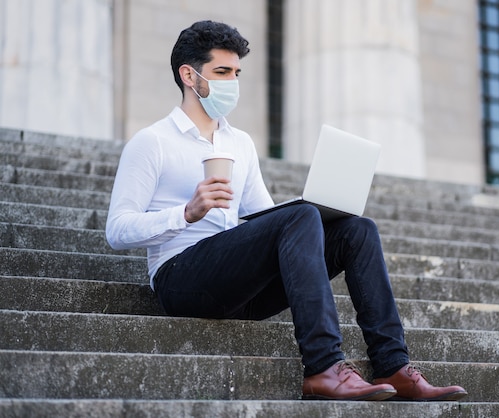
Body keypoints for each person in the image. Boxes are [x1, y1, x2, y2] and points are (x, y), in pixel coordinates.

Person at [106, 20, 468, 402]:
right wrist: (187, 213)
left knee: (357, 230)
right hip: (180, 279)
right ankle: (323, 367)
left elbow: (263, 219)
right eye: (222, 72)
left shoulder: (240, 144)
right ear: (189, 75)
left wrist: (311, 208)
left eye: (237, 73)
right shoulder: (152, 143)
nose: (232, 83)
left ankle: (393, 366)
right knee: (298, 219)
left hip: (241, 288)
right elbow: (118, 229)